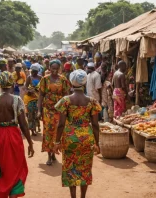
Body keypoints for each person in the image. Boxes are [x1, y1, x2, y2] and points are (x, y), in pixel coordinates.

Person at [54, 69, 101, 198]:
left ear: (71, 82)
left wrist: (57, 142)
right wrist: (98, 143)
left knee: (70, 168)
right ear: (84, 83)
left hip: (70, 138)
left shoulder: (66, 101)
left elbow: (61, 124)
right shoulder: (91, 101)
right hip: (86, 138)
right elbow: (96, 125)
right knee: (85, 169)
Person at [38, 59, 71, 166]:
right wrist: (39, 110)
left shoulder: (63, 80)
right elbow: (41, 95)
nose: (55, 70)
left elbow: (66, 96)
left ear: (59, 68)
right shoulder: (45, 79)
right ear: (50, 68)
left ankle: (54, 153)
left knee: (58, 132)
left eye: (57, 68)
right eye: (53, 68)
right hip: (47, 110)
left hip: (59, 111)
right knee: (48, 132)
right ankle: (49, 155)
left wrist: (67, 110)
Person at [24, 64, 42, 136]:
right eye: (32, 71)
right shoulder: (29, 77)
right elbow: (25, 87)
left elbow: (44, 87)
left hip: (38, 99)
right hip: (30, 98)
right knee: (31, 115)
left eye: (35, 71)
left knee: (37, 114)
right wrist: (28, 91)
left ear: (37, 71)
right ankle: (32, 130)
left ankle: (37, 126)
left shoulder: (41, 78)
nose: (33, 73)